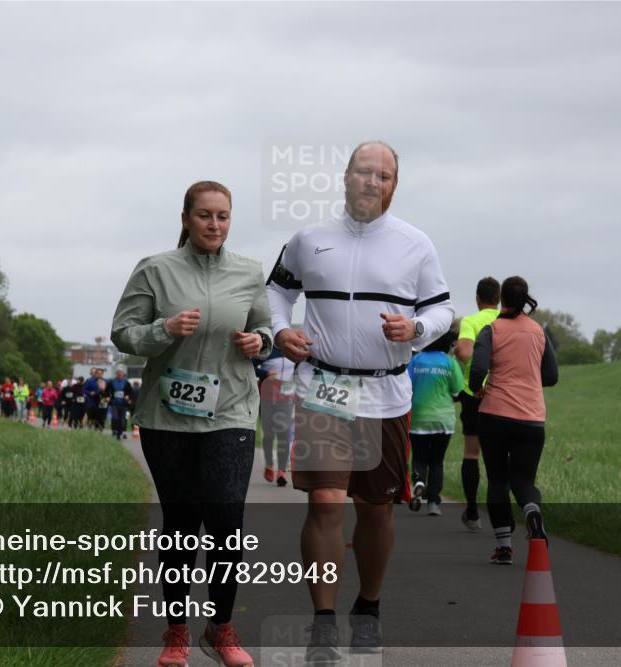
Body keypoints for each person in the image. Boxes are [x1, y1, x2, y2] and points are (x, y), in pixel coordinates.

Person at [266, 141, 455, 660]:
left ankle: (367, 606)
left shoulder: (415, 244)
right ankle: (323, 623)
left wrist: (415, 327)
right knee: (325, 502)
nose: (373, 182)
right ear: (345, 176)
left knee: (375, 510)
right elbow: (276, 294)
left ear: (395, 185)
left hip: (386, 394)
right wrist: (282, 331)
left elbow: (442, 310)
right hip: (323, 389)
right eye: (365, 172)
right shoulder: (309, 239)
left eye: (385, 175)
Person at [111, 180, 273, 667]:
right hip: (169, 415)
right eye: (205, 215)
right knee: (182, 525)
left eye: (223, 216)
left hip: (231, 411)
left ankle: (221, 628)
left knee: (226, 520)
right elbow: (123, 333)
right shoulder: (155, 270)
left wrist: (259, 343)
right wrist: (165, 329)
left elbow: (266, 329)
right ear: (186, 218)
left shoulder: (248, 272)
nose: (214, 224)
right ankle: (176, 632)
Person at [469, 276, 558, 566]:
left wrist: (477, 387)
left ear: (502, 299)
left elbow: (478, 366)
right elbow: (551, 376)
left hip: (494, 414)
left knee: (498, 479)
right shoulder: (538, 332)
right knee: (523, 481)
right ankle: (532, 511)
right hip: (531, 418)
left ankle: (504, 547)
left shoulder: (490, 330)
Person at [452, 277, 501, 531]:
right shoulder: (507, 321)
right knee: (501, 455)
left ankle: (472, 512)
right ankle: (502, 520)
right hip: (504, 394)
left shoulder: (472, 321)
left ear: (477, 299)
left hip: (475, 393)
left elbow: (464, 352)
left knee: (472, 453)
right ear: (499, 299)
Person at [407, 330, 464, 515]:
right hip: (443, 420)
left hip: (418, 419)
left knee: (419, 457)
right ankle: (433, 503)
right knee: (437, 462)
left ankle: (419, 482)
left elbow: (406, 387)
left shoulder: (416, 361)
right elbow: (457, 391)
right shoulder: (450, 362)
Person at [258, 347, 296, 487]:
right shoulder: (267, 350)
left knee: (284, 433)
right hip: (266, 398)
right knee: (269, 434)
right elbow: (250, 366)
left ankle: (281, 471)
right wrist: (266, 373)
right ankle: (269, 464)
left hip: (286, 399)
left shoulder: (293, 350)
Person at [109, 369, 133, 440]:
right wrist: (108, 396)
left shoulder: (126, 382)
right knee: (115, 418)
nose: (119, 375)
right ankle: (114, 430)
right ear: (116, 374)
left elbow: (131, 392)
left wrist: (128, 396)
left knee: (122, 419)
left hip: (123, 404)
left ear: (123, 374)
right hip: (114, 404)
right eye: (118, 373)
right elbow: (107, 391)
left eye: (121, 373)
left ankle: (120, 432)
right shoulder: (112, 382)